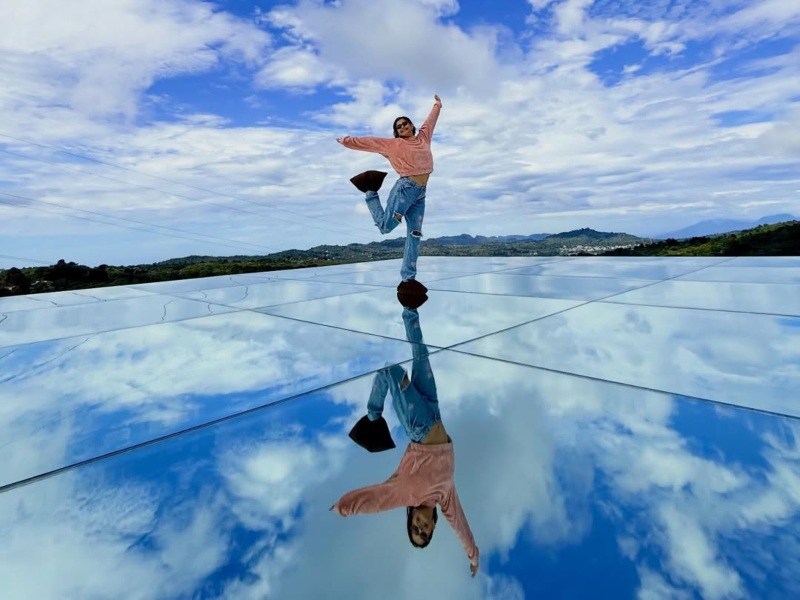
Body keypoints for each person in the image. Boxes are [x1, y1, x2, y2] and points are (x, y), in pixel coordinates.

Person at [331, 305, 479, 577]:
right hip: (434, 412)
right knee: (420, 349)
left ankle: (373, 418)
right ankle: (408, 295)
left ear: (410, 518)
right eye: (425, 532)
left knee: (391, 372)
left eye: (415, 529)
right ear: (434, 527)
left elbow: (376, 500)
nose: (421, 527)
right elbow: (461, 526)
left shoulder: (407, 493)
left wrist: (345, 506)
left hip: (418, 426)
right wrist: (473, 555)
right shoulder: (446, 500)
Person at [336, 95, 443, 291]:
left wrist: (437, 104)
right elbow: (369, 142)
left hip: (420, 194)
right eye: (398, 127)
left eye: (404, 124)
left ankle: (408, 279)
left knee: (415, 234)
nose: (402, 128)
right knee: (386, 227)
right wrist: (345, 141)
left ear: (411, 125)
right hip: (405, 189)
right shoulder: (394, 145)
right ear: (397, 132)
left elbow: (430, 120)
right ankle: (370, 191)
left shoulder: (423, 138)